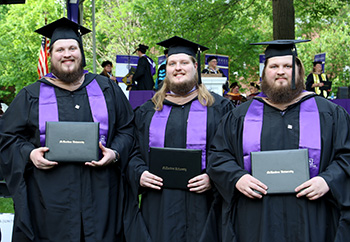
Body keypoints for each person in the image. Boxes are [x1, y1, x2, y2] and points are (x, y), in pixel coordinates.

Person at [0, 17, 135, 241]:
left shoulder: (106, 88)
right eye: (60, 49)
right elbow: (8, 138)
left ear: (81, 53)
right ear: (51, 55)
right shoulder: (31, 94)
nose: (67, 54)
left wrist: (115, 152)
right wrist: (29, 153)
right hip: (49, 201)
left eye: (72, 48)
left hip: (101, 197)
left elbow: (128, 129)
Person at [207, 39, 350, 242]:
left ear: (299, 72)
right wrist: (237, 178)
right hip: (256, 217)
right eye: (274, 66)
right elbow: (219, 155)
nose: (280, 71)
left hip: (313, 216)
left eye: (288, 66)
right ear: (264, 73)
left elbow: (346, 155)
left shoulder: (328, 112)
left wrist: (327, 180)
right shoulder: (240, 116)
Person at [125, 36, 233, 242]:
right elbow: (133, 152)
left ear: (195, 66)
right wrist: (139, 173)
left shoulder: (219, 108)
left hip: (205, 205)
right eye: (172, 63)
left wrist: (213, 177)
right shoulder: (148, 110)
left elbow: (229, 153)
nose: (178, 68)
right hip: (159, 205)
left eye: (184, 63)